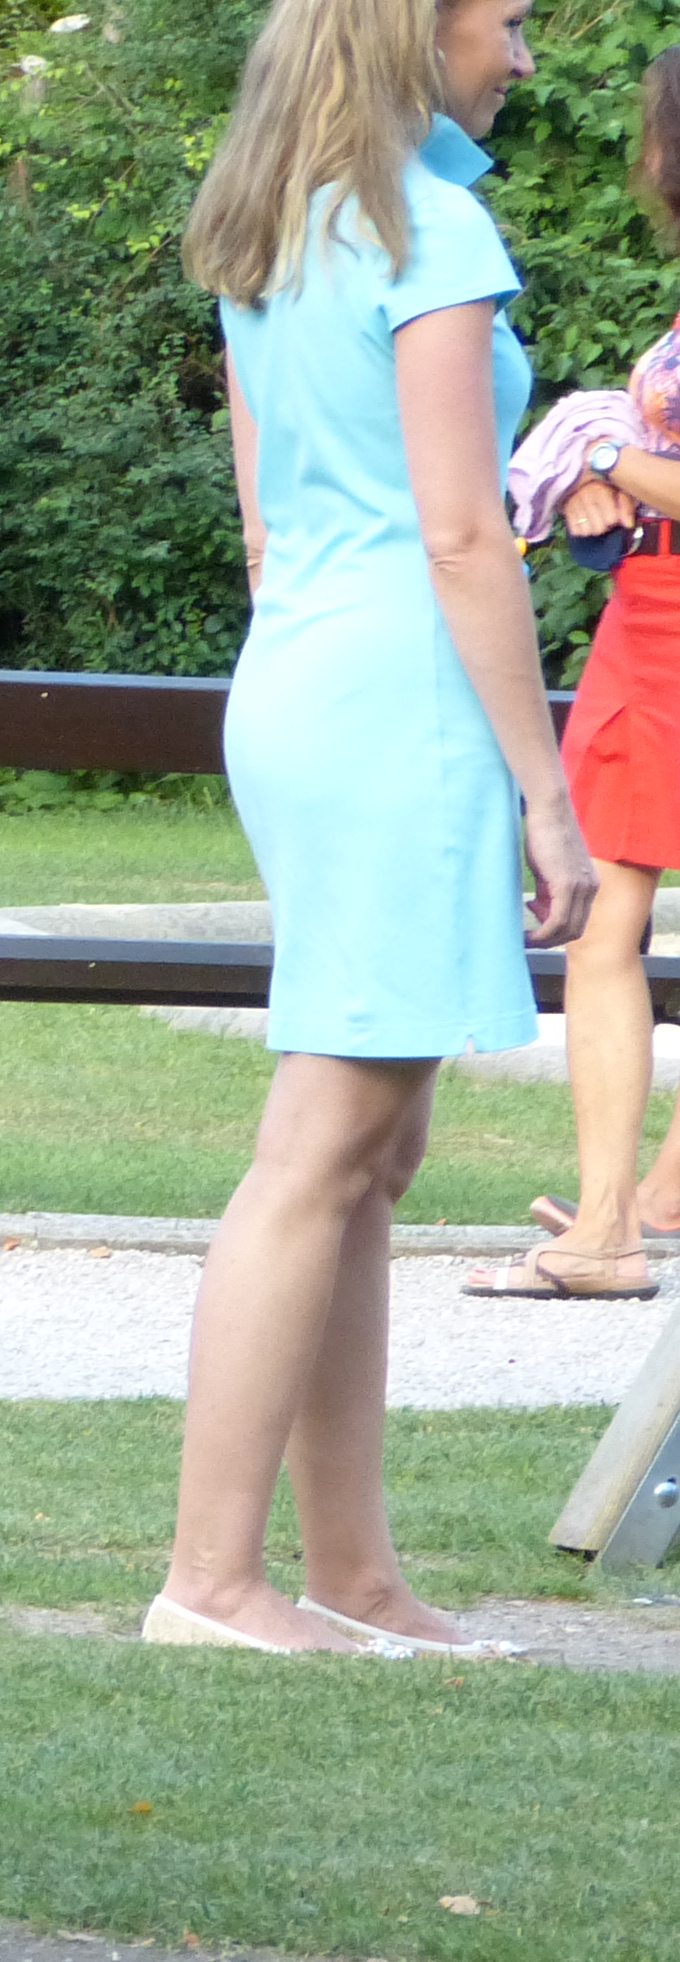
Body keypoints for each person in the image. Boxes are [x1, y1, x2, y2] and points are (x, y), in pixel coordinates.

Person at [156, 0, 595, 1653]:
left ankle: (355, 1576)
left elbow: (268, 528)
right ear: (421, 30)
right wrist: (544, 791)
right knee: (321, 1147)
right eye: (510, 22)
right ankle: (212, 1582)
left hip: (300, 681)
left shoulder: (270, 218)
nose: (524, 60)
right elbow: (468, 536)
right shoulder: (433, 231)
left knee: (368, 1154)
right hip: (401, 699)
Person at [481, 44, 680, 1300]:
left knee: (602, 926)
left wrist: (598, 447)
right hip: (646, 616)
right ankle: (642, 1202)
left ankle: (613, 1223)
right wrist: (609, 462)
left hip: (664, 627)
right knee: (602, 922)